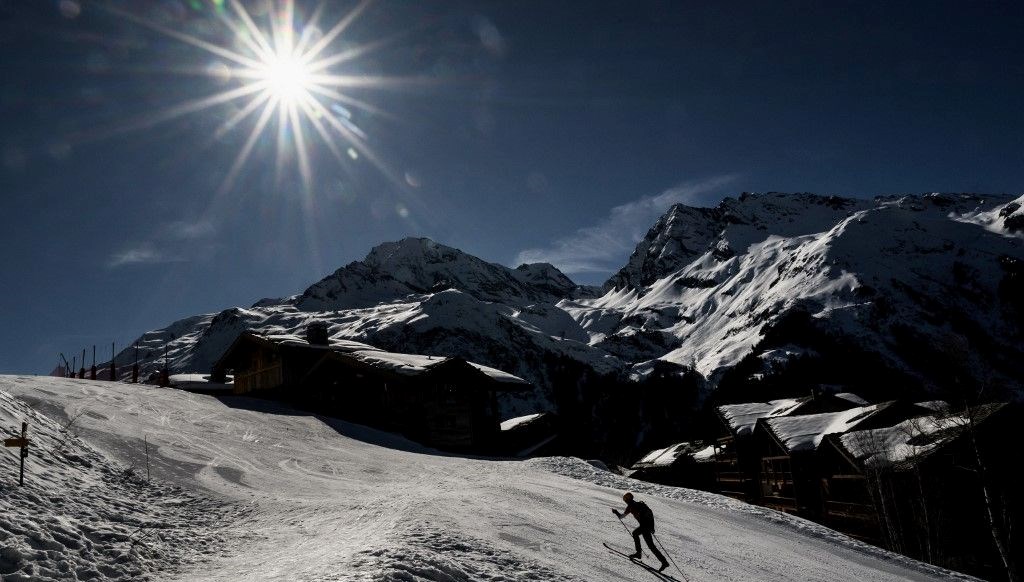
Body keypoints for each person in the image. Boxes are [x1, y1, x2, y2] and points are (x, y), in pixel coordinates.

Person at [612, 491, 669, 572]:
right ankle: (664, 562)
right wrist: (652, 527)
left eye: (625, 499)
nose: (625, 501)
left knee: (636, 534)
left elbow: (621, 516)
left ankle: (639, 553)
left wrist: (616, 512)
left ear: (627, 500)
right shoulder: (639, 504)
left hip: (644, 526)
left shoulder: (631, 506)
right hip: (647, 526)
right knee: (651, 546)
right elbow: (650, 513)